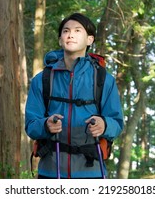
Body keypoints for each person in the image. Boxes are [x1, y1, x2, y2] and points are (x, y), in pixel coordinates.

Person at [25, 13, 124, 179]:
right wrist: (46, 125)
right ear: (60, 40)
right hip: (50, 172)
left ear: (89, 40)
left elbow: (117, 123)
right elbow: (31, 124)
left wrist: (104, 124)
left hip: (92, 172)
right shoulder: (42, 80)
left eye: (78, 30)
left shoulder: (104, 80)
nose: (70, 34)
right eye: (65, 31)